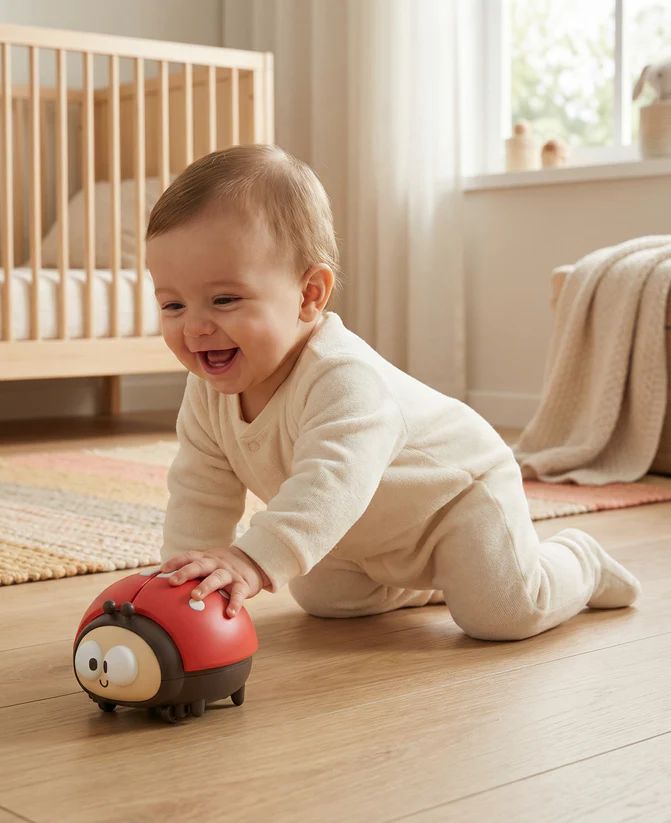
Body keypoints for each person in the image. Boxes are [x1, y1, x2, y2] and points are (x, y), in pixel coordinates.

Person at [145, 144, 639, 641]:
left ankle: (577, 560)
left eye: (224, 299)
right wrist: (179, 586)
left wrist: (250, 560)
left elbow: (330, 486)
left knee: (502, 615)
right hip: (366, 532)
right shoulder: (207, 392)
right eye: (173, 306)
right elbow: (199, 491)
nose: (196, 327)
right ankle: (446, 578)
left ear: (309, 294)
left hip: (457, 499)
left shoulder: (342, 378)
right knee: (324, 597)